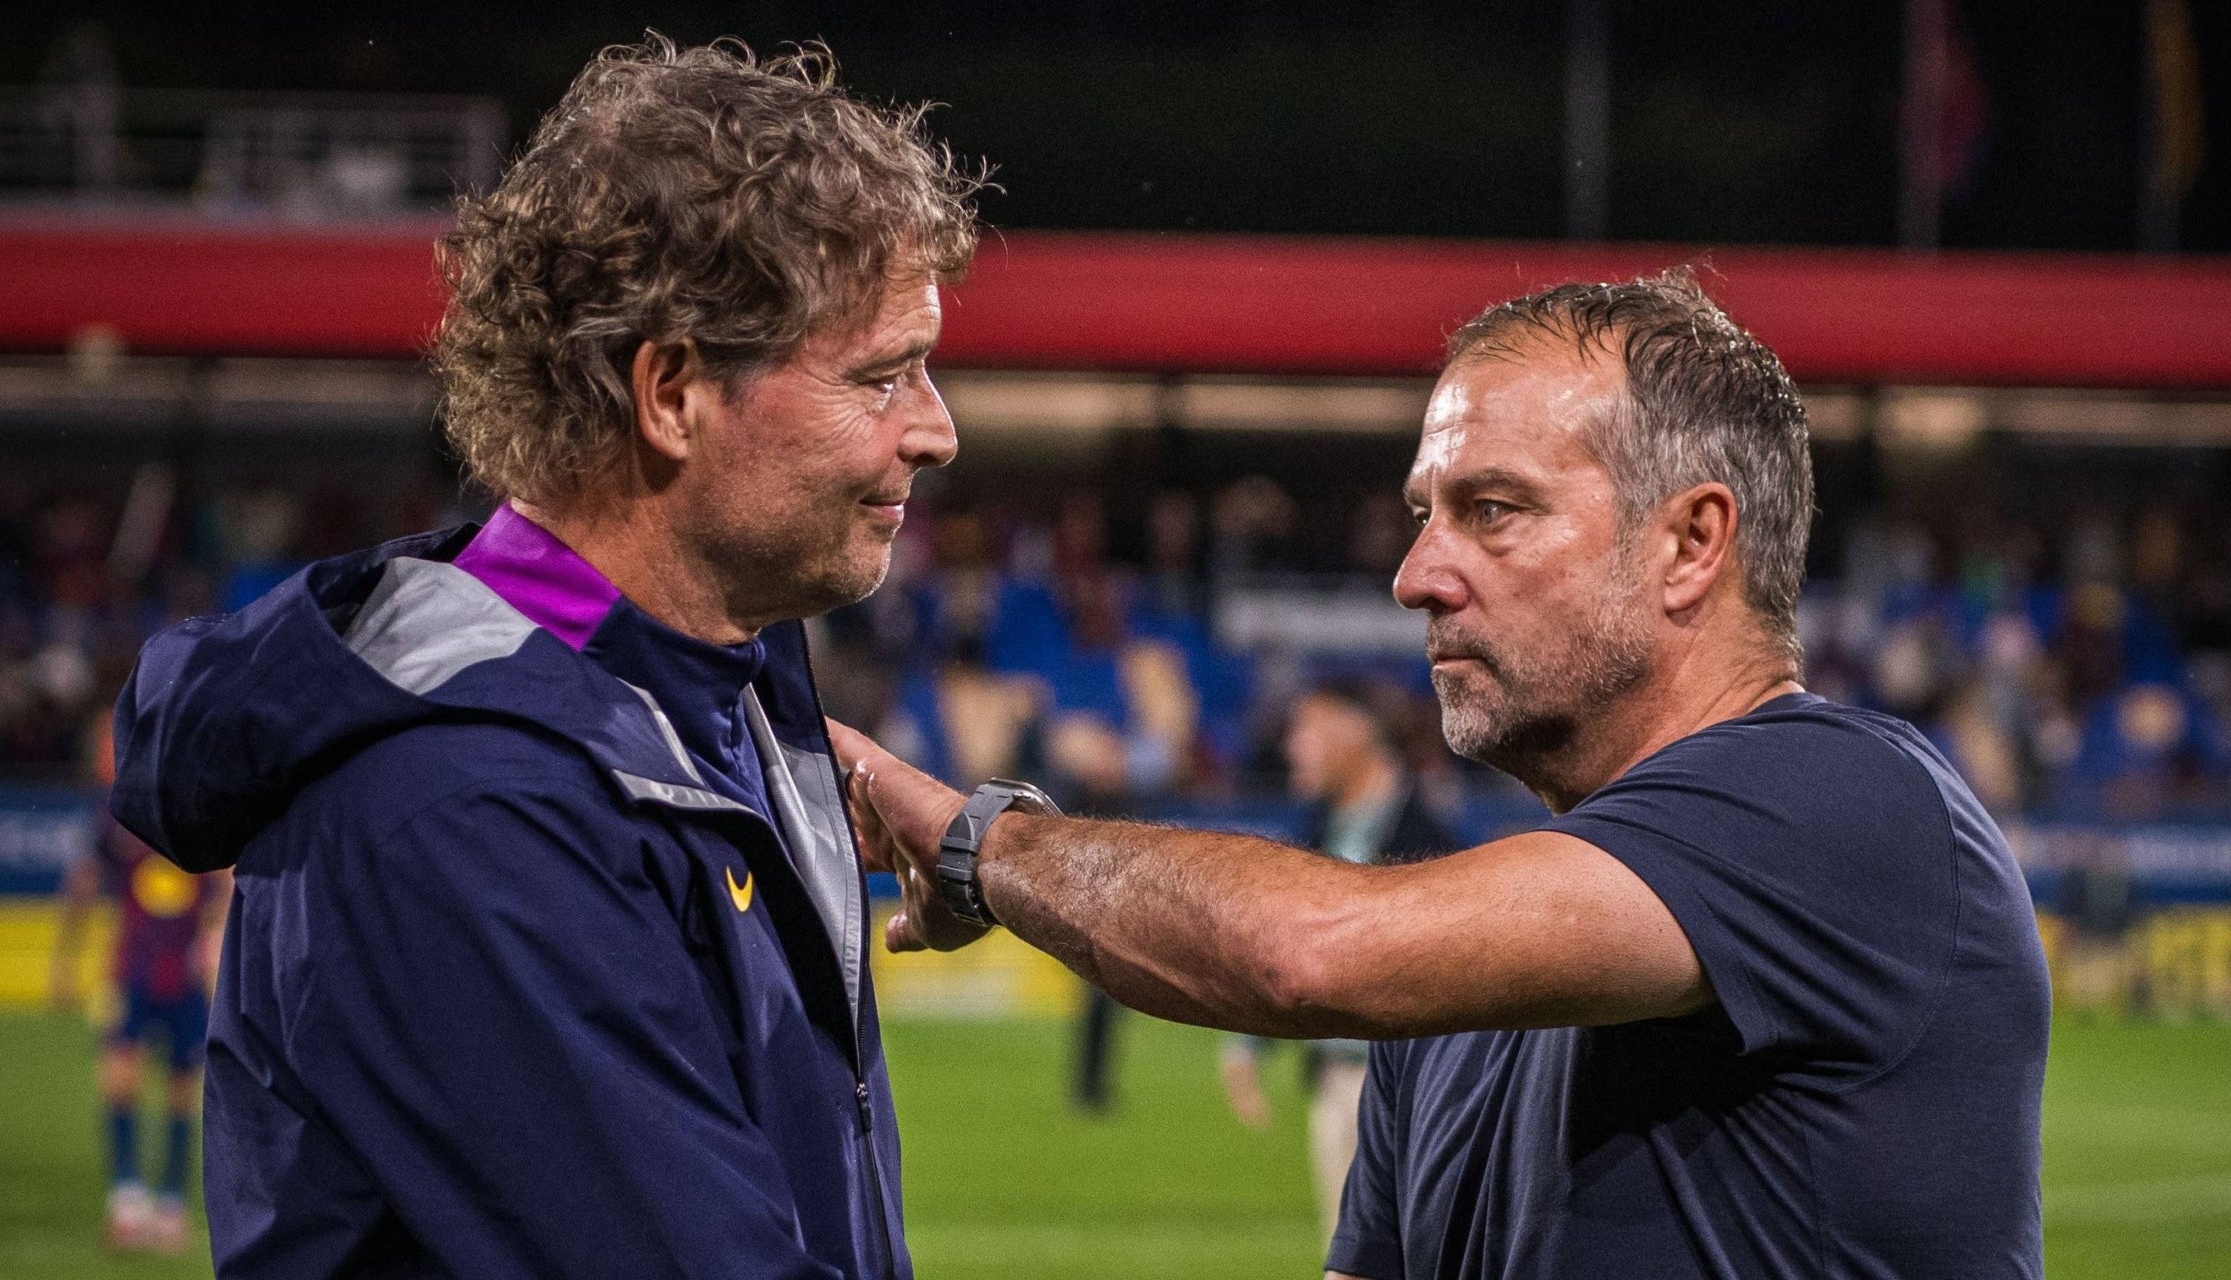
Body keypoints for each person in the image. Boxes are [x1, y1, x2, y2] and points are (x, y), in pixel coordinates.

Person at [841, 270, 2051, 1279]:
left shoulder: (1850, 803)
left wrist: (981, 843)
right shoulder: (1455, 997)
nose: (1416, 574)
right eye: (1426, 512)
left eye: (1492, 509)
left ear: (1692, 542)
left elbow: (1306, 951)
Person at [110, 34, 978, 1280]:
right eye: (883, 375)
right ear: (671, 391)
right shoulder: (468, 803)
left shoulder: (710, 688)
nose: (937, 431)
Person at [1219, 679, 1457, 1244]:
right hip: (1335, 1084)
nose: (1292, 746)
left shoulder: (1429, 839)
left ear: (1355, 729)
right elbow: (1296, 946)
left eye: (1306, 727)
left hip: (1410, 1092)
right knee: (1348, 1254)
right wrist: (1248, 1041)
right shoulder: (1321, 832)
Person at [51, 710, 228, 1254]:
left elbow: (226, 879)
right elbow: (81, 886)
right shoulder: (113, 815)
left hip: (184, 979)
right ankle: (127, 1202)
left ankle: (170, 1206)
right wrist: (65, 961)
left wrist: (215, 936)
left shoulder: (196, 807)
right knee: (120, 1082)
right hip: (131, 972)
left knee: (180, 1094)